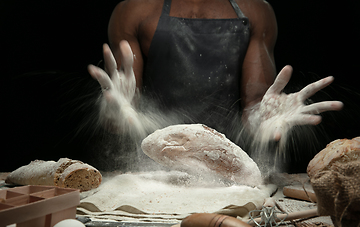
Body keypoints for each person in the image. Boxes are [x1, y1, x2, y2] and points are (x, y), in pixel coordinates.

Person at [87, 0, 343, 146]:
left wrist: (265, 116)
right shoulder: (135, 9)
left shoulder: (255, 10)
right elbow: (124, 109)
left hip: (230, 170)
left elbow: (254, 106)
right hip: (154, 169)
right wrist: (115, 112)